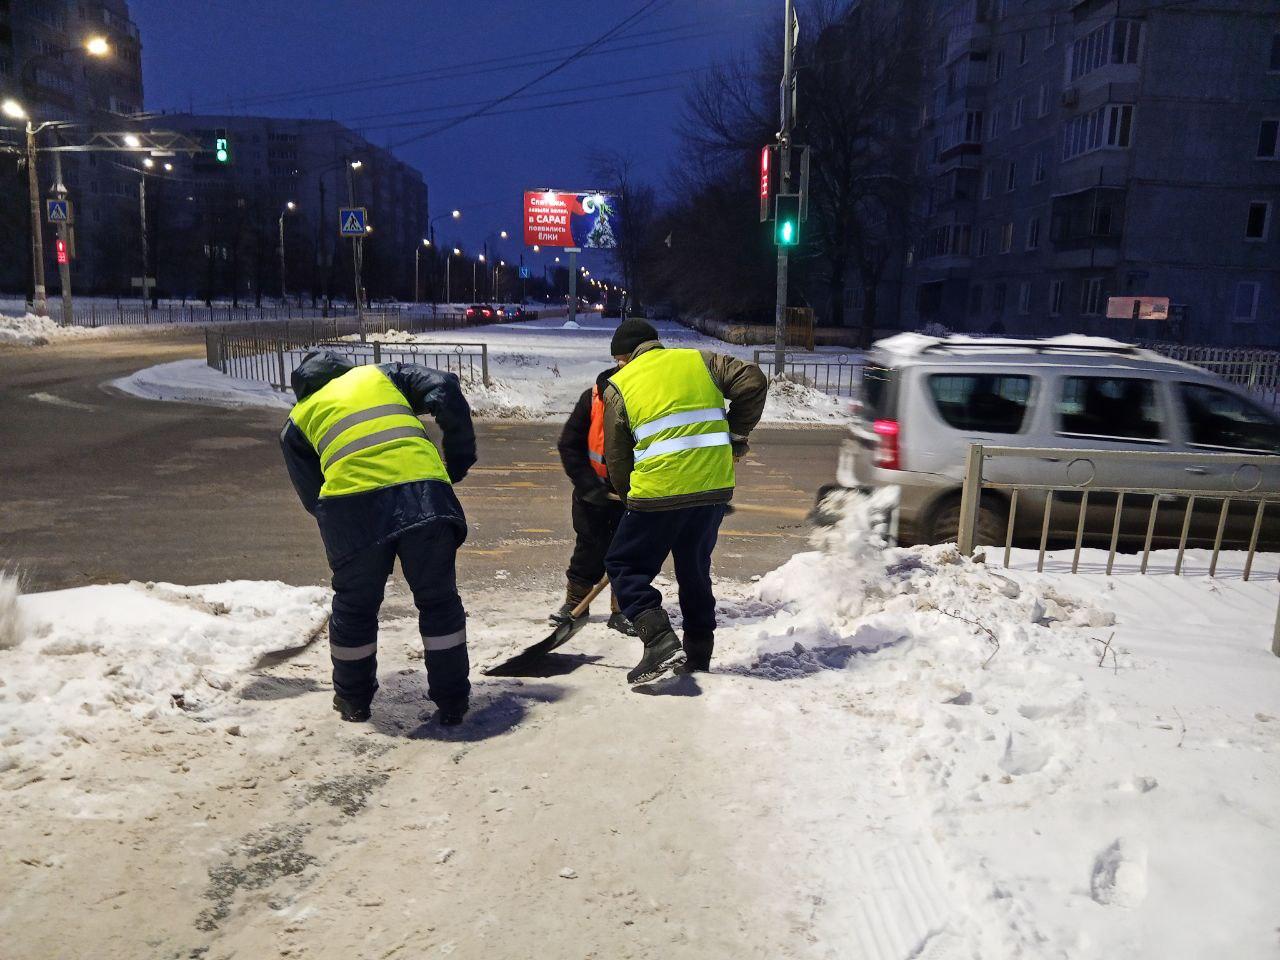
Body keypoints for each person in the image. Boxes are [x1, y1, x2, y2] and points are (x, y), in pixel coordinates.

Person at [280, 350, 476, 725]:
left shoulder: (297, 420)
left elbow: (312, 495)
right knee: (438, 601)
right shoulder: (381, 376)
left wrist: (344, 524)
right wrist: (459, 457)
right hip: (424, 496)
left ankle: (353, 701)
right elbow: (445, 387)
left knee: (354, 607)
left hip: (351, 511)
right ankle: (452, 702)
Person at [602, 319, 768, 684]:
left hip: (659, 492)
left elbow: (616, 457)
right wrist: (735, 434)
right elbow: (753, 380)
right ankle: (698, 655)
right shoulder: (700, 361)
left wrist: (632, 498)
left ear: (626, 356)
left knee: (624, 566)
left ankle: (660, 641)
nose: (617, 367)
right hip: (713, 487)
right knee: (694, 570)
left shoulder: (619, 386)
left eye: (618, 360)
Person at [551, 366, 635, 636]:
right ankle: (575, 604)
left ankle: (623, 610)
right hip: (593, 494)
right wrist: (588, 485)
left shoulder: (645, 401)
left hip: (633, 495)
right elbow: (569, 445)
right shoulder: (591, 399)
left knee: (631, 555)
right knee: (589, 549)